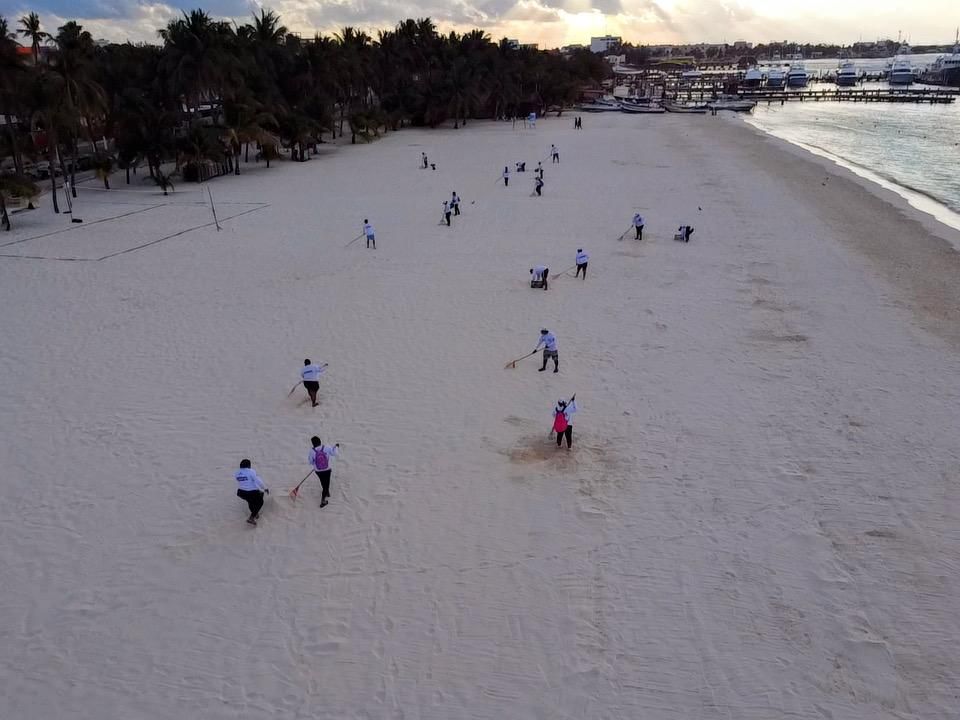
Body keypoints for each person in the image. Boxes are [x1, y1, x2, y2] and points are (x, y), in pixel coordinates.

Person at [235, 459, 269, 525]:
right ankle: (251, 517)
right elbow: (258, 481)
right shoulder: (251, 471)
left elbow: (245, 481)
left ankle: (255, 514)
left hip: (241, 492)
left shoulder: (236, 472)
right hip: (251, 492)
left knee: (250, 501)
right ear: (249, 465)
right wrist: (265, 488)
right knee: (260, 502)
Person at [309, 436, 340, 507]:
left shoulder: (312, 451)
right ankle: (323, 500)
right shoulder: (327, 447)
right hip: (327, 470)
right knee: (327, 483)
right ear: (320, 441)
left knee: (322, 482)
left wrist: (315, 463)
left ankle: (327, 492)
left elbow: (310, 462)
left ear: (313, 444)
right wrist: (336, 447)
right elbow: (335, 453)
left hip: (318, 471)